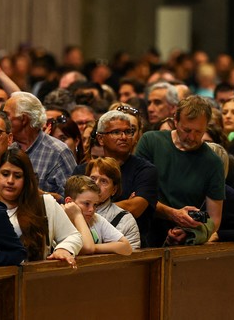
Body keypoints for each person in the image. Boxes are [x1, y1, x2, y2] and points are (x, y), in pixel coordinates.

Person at [135, 96, 225, 247]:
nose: (192, 137)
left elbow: (214, 218)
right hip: (142, 232)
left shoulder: (213, 162)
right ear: (175, 121)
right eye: (187, 130)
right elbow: (135, 195)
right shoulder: (151, 142)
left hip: (181, 239)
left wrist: (192, 232)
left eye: (199, 131)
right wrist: (172, 213)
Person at [73, 109, 158, 241]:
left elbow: (135, 208)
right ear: (101, 138)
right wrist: (122, 204)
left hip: (132, 243)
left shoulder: (145, 170)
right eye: (116, 132)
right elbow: (72, 207)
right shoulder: (82, 171)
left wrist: (88, 206)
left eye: (128, 132)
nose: (124, 137)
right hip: (85, 241)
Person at [0, 149, 82, 266]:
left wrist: (64, 249)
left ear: (27, 180)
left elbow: (73, 235)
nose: (10, 181)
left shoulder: (45, 203)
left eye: (17, 176)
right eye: (5, 174)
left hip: (36, 277)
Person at [4, 92, 76, 198]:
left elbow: (74, 199)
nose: (3, 121)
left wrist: (37, 195)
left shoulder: (58, 152)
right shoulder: (8, 149)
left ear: (23, 119)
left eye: (6, 116)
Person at [63, 176, 132, 255]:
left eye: (95, 204)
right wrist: (77, 215)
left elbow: (127, 247)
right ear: (69, 202)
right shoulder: (58, 220)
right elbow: (88, 248)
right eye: (86, 203)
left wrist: (94, 247)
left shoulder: (96, 219)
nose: (92, 209)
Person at [84, 158, 140, 248]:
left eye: (103, 181)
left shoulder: (126, 221)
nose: (96, 184)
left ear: (114, 190)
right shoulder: (72, 211)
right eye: (92, 179)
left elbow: (131, 260)